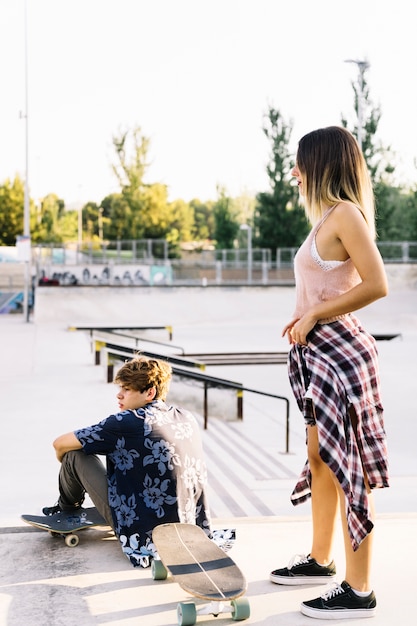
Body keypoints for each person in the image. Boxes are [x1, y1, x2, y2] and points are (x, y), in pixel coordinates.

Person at [269, 126, 389, 619]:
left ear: (320, 164)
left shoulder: (346, 216)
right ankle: (321, 560)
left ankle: (358, 590)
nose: (293, 173)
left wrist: (317, 314)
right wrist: (304, 315)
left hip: (340, 356)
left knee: (348, 470)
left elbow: (377, 283)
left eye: (299, 164)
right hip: (316, 354)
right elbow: (326, 286)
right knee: (320, 458)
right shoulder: (325, 219)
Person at [43, 355, 212, 568]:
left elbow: (59, 444)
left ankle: (66, 508)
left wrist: (68, 465)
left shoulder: (124, 422)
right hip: (188, 527)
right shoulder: (186, 417)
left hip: (144, 532)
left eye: (127, 389)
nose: (119, 394)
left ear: (149, 393)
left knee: (74, 454)